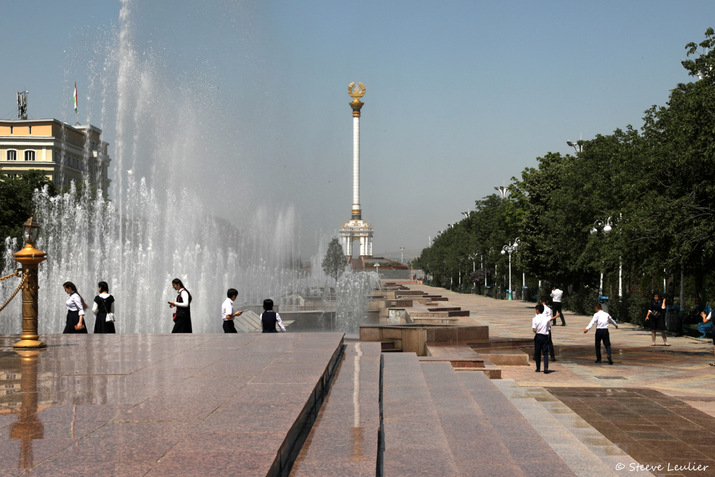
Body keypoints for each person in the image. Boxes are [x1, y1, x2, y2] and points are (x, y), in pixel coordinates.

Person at [532, 303, 551, 373]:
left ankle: (538, 368)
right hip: (545, 336)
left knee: (537, 352)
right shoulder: (547, 319)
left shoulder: (535, 318)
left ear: (537, 310)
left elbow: (534, 329)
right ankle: (546, 366)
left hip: (538, 336)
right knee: (545, 352)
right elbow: (549, 328)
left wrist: (537, 331)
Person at [539, 296, 556, 361]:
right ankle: (552, 356)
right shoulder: (548, 309)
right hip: (547, 327)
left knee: (539, 342)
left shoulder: (539, 308)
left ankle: (536, 356)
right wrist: (556, 316)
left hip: (540, 327)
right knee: (549, 342)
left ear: (540, 301)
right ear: (546, 301)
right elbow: (549, 319)